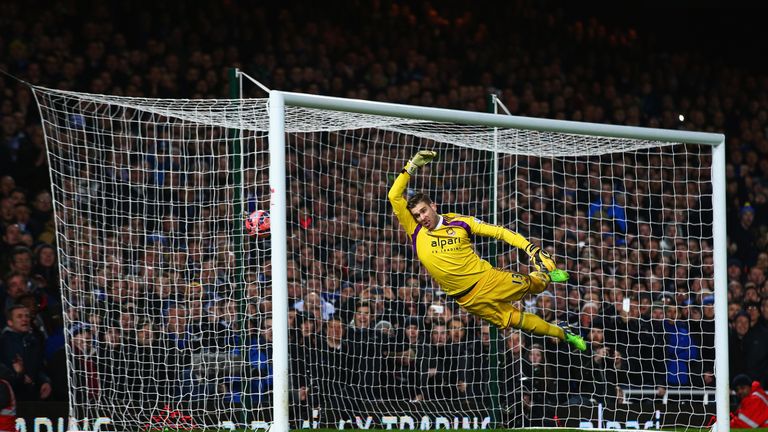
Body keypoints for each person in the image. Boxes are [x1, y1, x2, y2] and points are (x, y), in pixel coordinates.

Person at [387, 151, 586, 351]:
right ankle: (564, 333)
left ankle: (546, 276)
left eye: (423, 211)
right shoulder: (415, 231)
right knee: (517, 320)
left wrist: (530, 247)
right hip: (467, 300)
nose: (421, 217)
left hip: (488, 280)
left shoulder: (460, 222)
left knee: (534, 286)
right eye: (416, 215)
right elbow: (394, 195)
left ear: (433, 206)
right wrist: (411, 165)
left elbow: (499, 232)